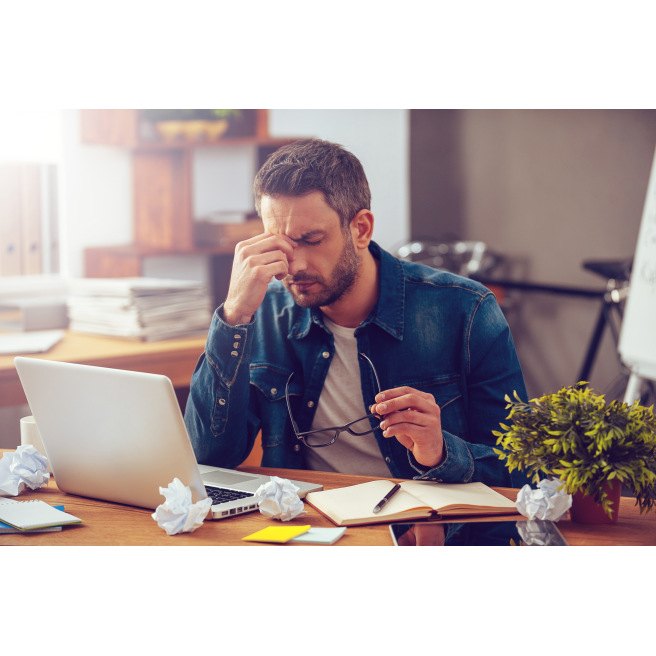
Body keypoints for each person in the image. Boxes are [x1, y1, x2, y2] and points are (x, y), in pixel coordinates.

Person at [184, 138, 528, 487]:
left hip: (423, 532)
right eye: (281, 242)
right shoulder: (264, 311)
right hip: (307, 525)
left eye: (312, 239)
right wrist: (234, 316)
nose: (295, 264)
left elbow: (521, 473)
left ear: (361, 229)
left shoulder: (467, 310)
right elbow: (209, 458)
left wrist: (440, 452)